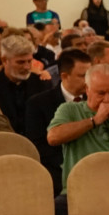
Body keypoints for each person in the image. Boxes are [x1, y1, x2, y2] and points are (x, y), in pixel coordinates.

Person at [25, 49, 89, 194]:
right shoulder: (39, 103)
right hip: (57, 169)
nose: (88, 81)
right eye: (83, 76)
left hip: (93, 164)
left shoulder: (96, 100)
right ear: (64, 76)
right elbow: (38, 145)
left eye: (90, 75)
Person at [0, 33, 55, 130]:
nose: (27, 67)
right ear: (5, 60)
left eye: (29, 61)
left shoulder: (42, 84)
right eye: (20, 62)